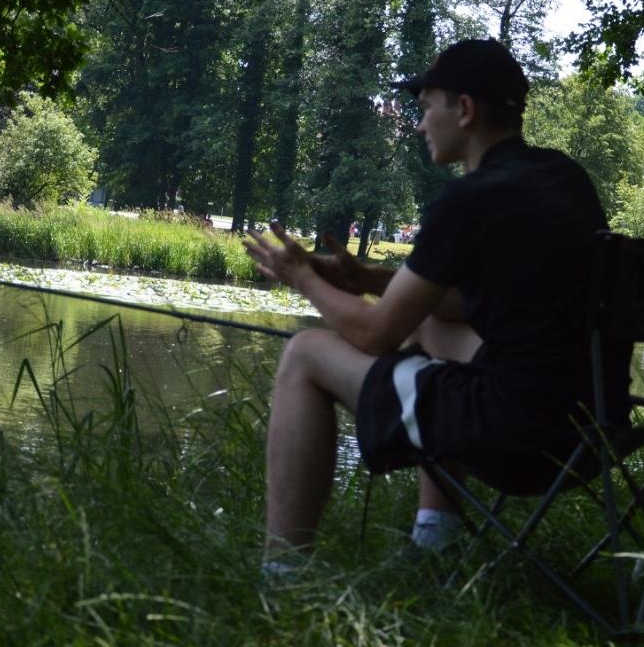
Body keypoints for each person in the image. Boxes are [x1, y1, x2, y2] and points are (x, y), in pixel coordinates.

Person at [245, 38, 606, 573]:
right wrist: (367, 278)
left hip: (515, 435)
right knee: (430, 323)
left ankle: (282, 572)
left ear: (465, 110)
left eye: (426, 107)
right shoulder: (564, 179)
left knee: (304, 354)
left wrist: (301, 276)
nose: (419, 126)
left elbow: (375, 334)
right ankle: (435, 541)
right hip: (591, 426)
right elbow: (472, 302)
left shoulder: (469, 200)